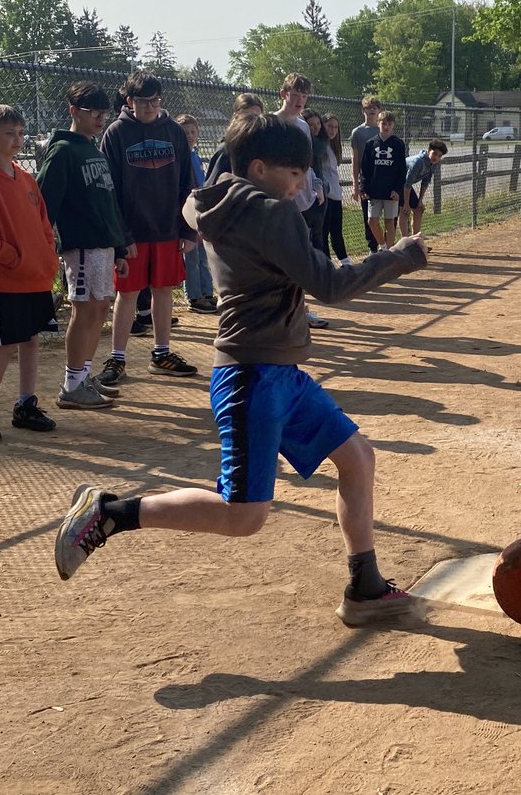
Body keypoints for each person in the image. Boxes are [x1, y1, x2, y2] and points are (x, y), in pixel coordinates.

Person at [54, 112, 429, 628]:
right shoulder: (269, 214)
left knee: (357, 458)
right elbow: (331, 285)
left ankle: (364, 586)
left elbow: (194, 204)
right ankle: (112, 514)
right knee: (243, 515)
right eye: (292, 173)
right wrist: (399, 256)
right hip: (253, 376)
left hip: (277, 369)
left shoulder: (212, 199)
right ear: (257, 167)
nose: (300, 185)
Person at [0, 105, 60, 443]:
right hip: (7, 277)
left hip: (35, 275)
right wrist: (14, 259)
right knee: (4, 344)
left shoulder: (25, 177)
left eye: (20, 133)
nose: (17, 139)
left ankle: (25, 404)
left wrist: (46, 258)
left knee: (30, 340)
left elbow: (43, 224)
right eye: (9, 133)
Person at [97, 71, 198, 385]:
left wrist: (189, 229)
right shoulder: (115, 133)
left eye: (155, 100)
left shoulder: (173, 132)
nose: (151, 107)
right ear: (130, 102)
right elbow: (108, 189)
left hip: (168, 229)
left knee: (163, 291)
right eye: (144, 101)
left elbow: (187, 184)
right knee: (127, 294)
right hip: (133, 234)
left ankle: (161, 353)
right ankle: (117, 358)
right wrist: (121, 238)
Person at [37, 82, 130, 410]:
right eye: (93, 111)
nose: (100, 117)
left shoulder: (94, 149)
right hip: (82, 246)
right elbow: (44, 200)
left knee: (100, 309)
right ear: (73, 111)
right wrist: (46, 242)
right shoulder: (63, 150)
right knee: (84, 310)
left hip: (103, 245)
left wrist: (119, 247)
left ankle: (83, 376)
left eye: (104, 112)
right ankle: (72, 385)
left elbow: (108, 201)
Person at [273, 73, 327, 329]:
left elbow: (306, 163)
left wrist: (315, 184)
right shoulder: (270, 123)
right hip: (276, 202)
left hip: (299, 201)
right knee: (276, 260)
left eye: (304, 96)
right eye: (295, 95)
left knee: (299, 256)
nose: (300, 101)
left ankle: (299, 309)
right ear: (284, 94)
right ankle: (279, 311)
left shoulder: (303, 126)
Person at [175, 112, 217, 314]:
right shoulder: (180, 158)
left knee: (204, 256)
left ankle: (207, 292)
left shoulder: (196, 156)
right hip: (188, 213)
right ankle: (194, 295)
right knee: (191, 258)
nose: (190, 136)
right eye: (185, 133)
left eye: (193, 132)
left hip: (201, 211)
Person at [361, 110, 407, 248]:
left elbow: (402, 170)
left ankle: (389, 252)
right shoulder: (370, 144)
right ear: (378, 123)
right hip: (374, 190)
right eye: (383, 123)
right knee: (372, 221)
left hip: (391, 192)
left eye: (389, 123)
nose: (386, 126)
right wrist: (363, 187)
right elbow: (365, 168)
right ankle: (383, 246)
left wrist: (397, 190)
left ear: (393, 125)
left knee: (389, 222)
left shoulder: (398, 144)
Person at [205, 92, 264, 184]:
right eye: (248, 117)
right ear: (237, 117)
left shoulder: (261, 148)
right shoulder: (227, 149)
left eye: (258, 117)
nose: (253, 122)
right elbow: (211, 189)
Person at [350, 96, 382, 254]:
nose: (371, 111)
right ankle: (373, 248)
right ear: (363, 110)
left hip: (383, 179)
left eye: (374, 108)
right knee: (368, 216)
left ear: (379, 111)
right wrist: (355, 185)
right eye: (368, 108)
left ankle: (386, 245)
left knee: (389, 215)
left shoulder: (383, 129)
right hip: (366, 181)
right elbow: (355, 160)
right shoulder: (357, 132)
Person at [400, 138, 448, 237]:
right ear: (428, 150)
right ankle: (405, 243)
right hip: (396, 182)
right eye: (434, 153)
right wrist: (406, 203)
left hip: (404, 185)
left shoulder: (433, 164)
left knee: (418, 209)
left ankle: (415, 239)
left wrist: (420, 200)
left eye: (439, 156)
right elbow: (407, 183)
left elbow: (425, 183)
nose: (436, 157)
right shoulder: (418, 162)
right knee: (404, 211)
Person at [320, 112, 350, 265]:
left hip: (335, 194)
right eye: (329, 126)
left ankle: (345, 261)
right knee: (323, 232)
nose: (332, 130)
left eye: (336, 127)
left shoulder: (332, 146)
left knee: (336, 230)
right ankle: (326, 264)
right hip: (324, 194)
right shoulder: (319, 145)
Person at [301, 107, 329, 254]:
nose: (315, 127)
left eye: (318, 123)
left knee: (318, 232)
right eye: (311, 124)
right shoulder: (299, 140)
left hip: (317, 188)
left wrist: (305, 130)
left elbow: (317, 150)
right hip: (301, 190)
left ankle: (321, 266)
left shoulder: (320, 140)